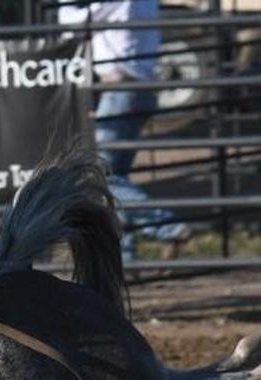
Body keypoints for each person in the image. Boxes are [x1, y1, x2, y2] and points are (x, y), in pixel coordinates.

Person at [57, 0, 191, 261]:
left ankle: (166, 226)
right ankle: (126, 259)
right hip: (139, 87)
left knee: (97, 174)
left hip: (121, 88)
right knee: (114, 176)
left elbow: (73, 21)